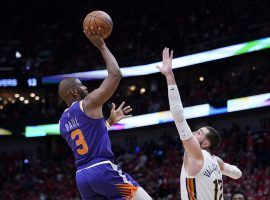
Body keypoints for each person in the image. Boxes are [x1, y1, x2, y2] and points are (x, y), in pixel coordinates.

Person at [58, 34, 151, 199]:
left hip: (83, 179)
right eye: (80, 84)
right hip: (103, 172)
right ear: (73, 91)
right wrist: (101, 46)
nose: (85, 87)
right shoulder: (88, 103)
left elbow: (90, 136)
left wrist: (110, 121)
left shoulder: (62, 122)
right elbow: (115, 74)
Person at [157, 47, 242, 200]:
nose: (194, 133)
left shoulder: (197, 153)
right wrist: (225, 169)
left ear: (205, 143)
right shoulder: (217, 162)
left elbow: (179, 116)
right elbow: (237, 173)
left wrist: (169, 75)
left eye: (199, 133)